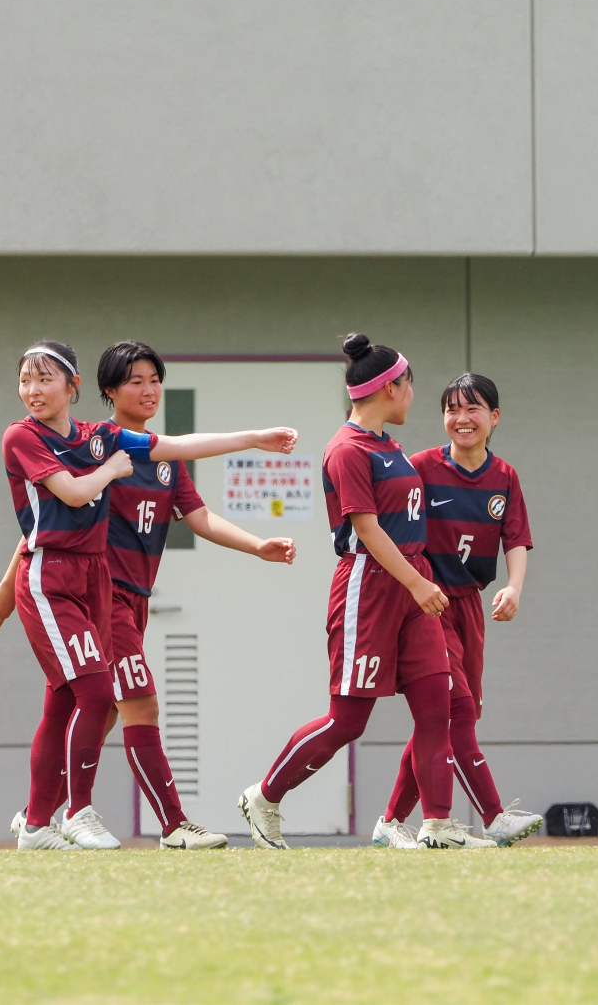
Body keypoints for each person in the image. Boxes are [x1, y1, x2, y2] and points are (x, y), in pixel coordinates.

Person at [0, 341, 297, 850]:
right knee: (132, 702)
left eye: (155, 379)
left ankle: (38, 814)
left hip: (123, 595)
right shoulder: (80, 446)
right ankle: (165, 823)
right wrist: (8, 584)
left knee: (81, 705)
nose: (148, 389)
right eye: (135, 381)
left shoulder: (135, 449)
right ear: (106, 391)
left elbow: (195, 502)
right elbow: (46, 521)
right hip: (93, 592)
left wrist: (256, 539)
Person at [238, 333, 494, 849]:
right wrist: (421, 583)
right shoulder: (347, 448)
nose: (413, 395)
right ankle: (263, 797)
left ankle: (437, 825)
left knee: (435, 708)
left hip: (410, 586)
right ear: (391, 388)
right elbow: (368, 529)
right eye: (410, 385)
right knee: (347, 720)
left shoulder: (388, 446)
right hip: (368, 588)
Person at [372, 373, 544, 848]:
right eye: (452, 410)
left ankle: (390, 821)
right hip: (428, 605)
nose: (461, 419)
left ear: (494, 417)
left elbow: (517, 539)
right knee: (456, 711)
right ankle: (491, 817)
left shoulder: (504, 477)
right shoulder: (420, 466)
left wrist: (513, 587)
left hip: (469, 606)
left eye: (473, 410)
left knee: (439, 721)